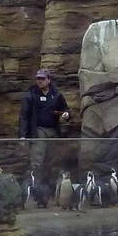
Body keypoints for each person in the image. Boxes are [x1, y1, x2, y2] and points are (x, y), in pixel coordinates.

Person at [18, 69, 70, 197]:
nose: (40, 81)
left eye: (42, 78)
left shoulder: (56, 94)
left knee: (54, 161)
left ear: (49, 80)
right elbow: (24, 116)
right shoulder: (31, 94)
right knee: (37, 162)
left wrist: (66, 114)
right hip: (38, 131)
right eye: (38, 78)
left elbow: (65, 109)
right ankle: (37, 191)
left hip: (53, 131)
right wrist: (23, 135)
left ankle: (52, 190)